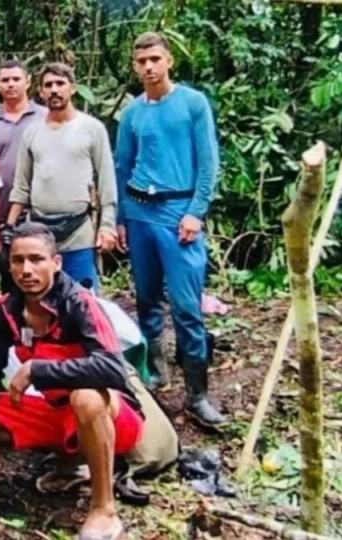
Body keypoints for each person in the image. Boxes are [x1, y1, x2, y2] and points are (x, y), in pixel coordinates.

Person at [0, 222, 143, 540]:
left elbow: (113, 370)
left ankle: (104, 509)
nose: (26, 269)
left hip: (113, 417)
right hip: (58, 414)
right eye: (18, 260)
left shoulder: (79, 303)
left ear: (56, 263)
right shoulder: (5, 312)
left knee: (85, 397)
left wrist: (37, 370)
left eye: (36, 259)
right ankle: (71, 463)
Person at [114, 32, 224, 426]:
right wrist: (122, 219)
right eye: (141, 61)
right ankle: (156, 373)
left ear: (169, 61)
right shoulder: (132, 113)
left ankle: (198, 394)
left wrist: (196, 212)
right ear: (134, 65)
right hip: (140, 211)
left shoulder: (192, 104)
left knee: (186, 306)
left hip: (179, 212)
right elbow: (122, 166)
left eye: (155, 59)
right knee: (145, 298)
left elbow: (208, 163)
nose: (148, 67)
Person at [6, 62, 117, 291]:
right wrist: (9, 227)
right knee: (41, 298)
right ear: (40, 91)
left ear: (72, 88)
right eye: (48, 85)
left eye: (60, 84)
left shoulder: (92, 129)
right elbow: (21, 186)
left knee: (82, 299)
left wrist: (107, 226)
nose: (55, 90)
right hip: (39, 229)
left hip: (79, 230)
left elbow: (106, 180)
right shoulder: (32, 132)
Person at [0, 60, 47, 292]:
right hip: (3, 215)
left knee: (41, 274)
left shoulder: (45, 118)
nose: (11, 85)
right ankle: (13, 326)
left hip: (41, 211)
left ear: (28, 82)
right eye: (5, 80)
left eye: (16, 79)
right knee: (11, 277)